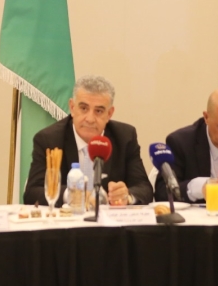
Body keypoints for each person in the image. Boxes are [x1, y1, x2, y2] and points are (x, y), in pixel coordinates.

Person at [23, 75, 152, 206]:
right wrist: (72, 194)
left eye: (99, 111)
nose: (90, 119)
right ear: (72, 108)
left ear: (109, 114)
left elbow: (144, 188)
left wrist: (127, 196)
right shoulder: (49, 140)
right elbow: (32, 193)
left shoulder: (125, 137)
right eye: (84, 108)